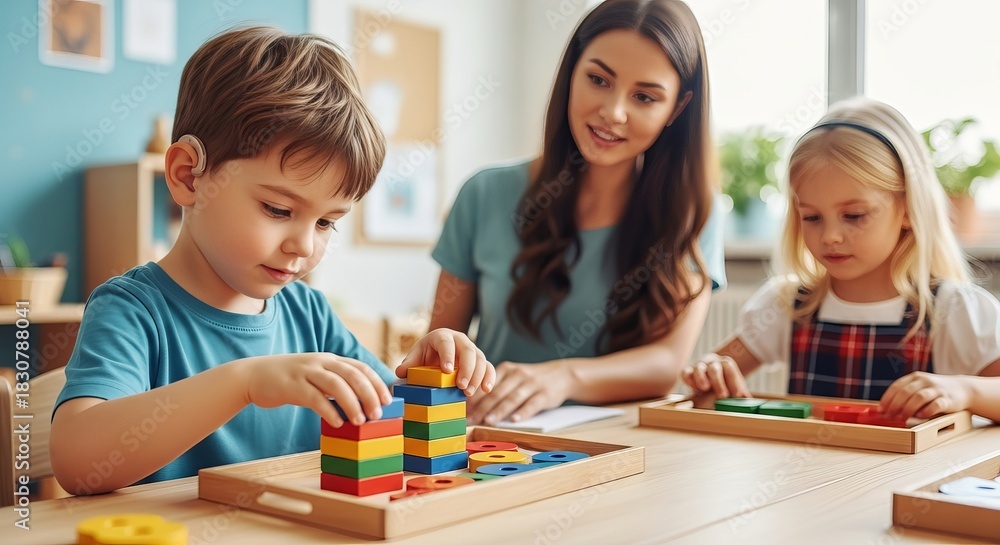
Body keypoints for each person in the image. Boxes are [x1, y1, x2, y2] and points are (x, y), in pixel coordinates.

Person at [50, 27, 495, 494]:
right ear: (188, 177)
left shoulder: (311, 316)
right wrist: (243, 382)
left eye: (326, 222)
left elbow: (393, 424)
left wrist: (427, 377)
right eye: (278, 210)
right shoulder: (133, 311)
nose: (305, 246)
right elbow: (78, 461)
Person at [430, 0, 726, 426]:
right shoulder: (484, 194)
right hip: (492, 440)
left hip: (626, 444)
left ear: (676, 109)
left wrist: (562, 377)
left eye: (644, 96)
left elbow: (666, 363)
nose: (613, 112)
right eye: (598, 79)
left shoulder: (696, 211)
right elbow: (441, 345)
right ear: (572, 73)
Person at [682, 97, 1000, 422]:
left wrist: (966, 390)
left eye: (854, 215)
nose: (830, 236)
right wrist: (711, 372)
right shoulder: (787, 305)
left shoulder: (954, 310)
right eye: (812, 217)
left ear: (907, 209)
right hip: (814, 475)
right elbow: (705, 387)